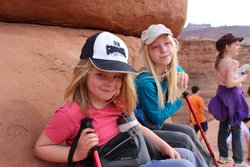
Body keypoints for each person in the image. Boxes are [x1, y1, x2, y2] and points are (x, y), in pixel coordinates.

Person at [33, 32, 206, 167]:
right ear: (83, 73)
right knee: (184, 164)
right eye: (101, 75)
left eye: (117, 77)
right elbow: (41, 148)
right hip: (119, 162)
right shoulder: (72, 113)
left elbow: (136, 126)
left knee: (187, 155)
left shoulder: (116, 102)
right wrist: (77, 154)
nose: (110, 83)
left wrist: (163, 146)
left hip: (135, 158)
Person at [134, 24, 215, 167]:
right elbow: (157, 118)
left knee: (189, 131)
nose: (164, 50)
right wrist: (176, 96)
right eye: (155, 47)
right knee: (183, 140)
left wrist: (183, 75)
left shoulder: (170, 68)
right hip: (143, 130)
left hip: (153, 126)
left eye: (167, 44)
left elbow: (179, 71)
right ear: (147, 52)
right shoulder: (144, 82)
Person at [208, 33, 249, 167]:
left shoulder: (218, 62)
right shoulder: (232, 62)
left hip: (222, 95)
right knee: (236, 128)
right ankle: (238, 161)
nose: (239, 47)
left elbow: (225, 81)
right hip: (233, 96)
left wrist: (239, 74)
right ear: (227, 47)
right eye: (236, 44)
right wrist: (242, 79)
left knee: (223, 126)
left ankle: (223, 157)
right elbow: (230, 83)